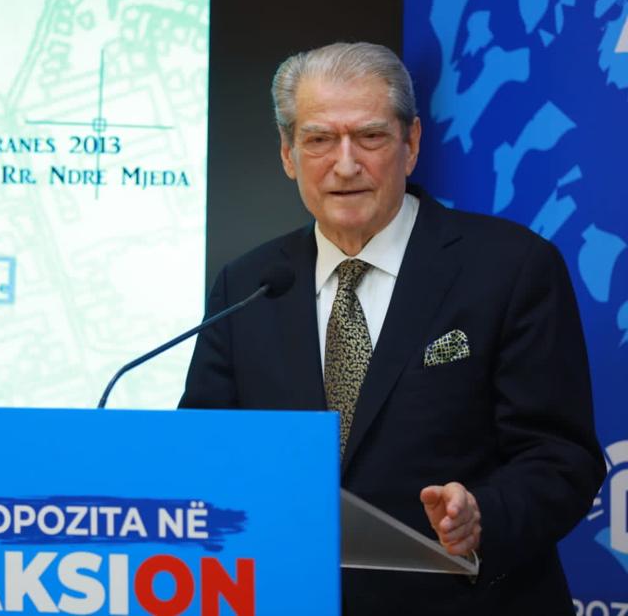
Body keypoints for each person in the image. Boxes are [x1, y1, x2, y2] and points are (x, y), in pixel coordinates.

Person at [179, 42, 605, 615]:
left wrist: (481, 517)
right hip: (292, 598)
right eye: (319, 139)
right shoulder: (248, 284)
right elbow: (205, 449)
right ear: (287, 153)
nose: (345, 164)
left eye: (370, 137)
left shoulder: (511, 268)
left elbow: (561, 457)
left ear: (412, 144)